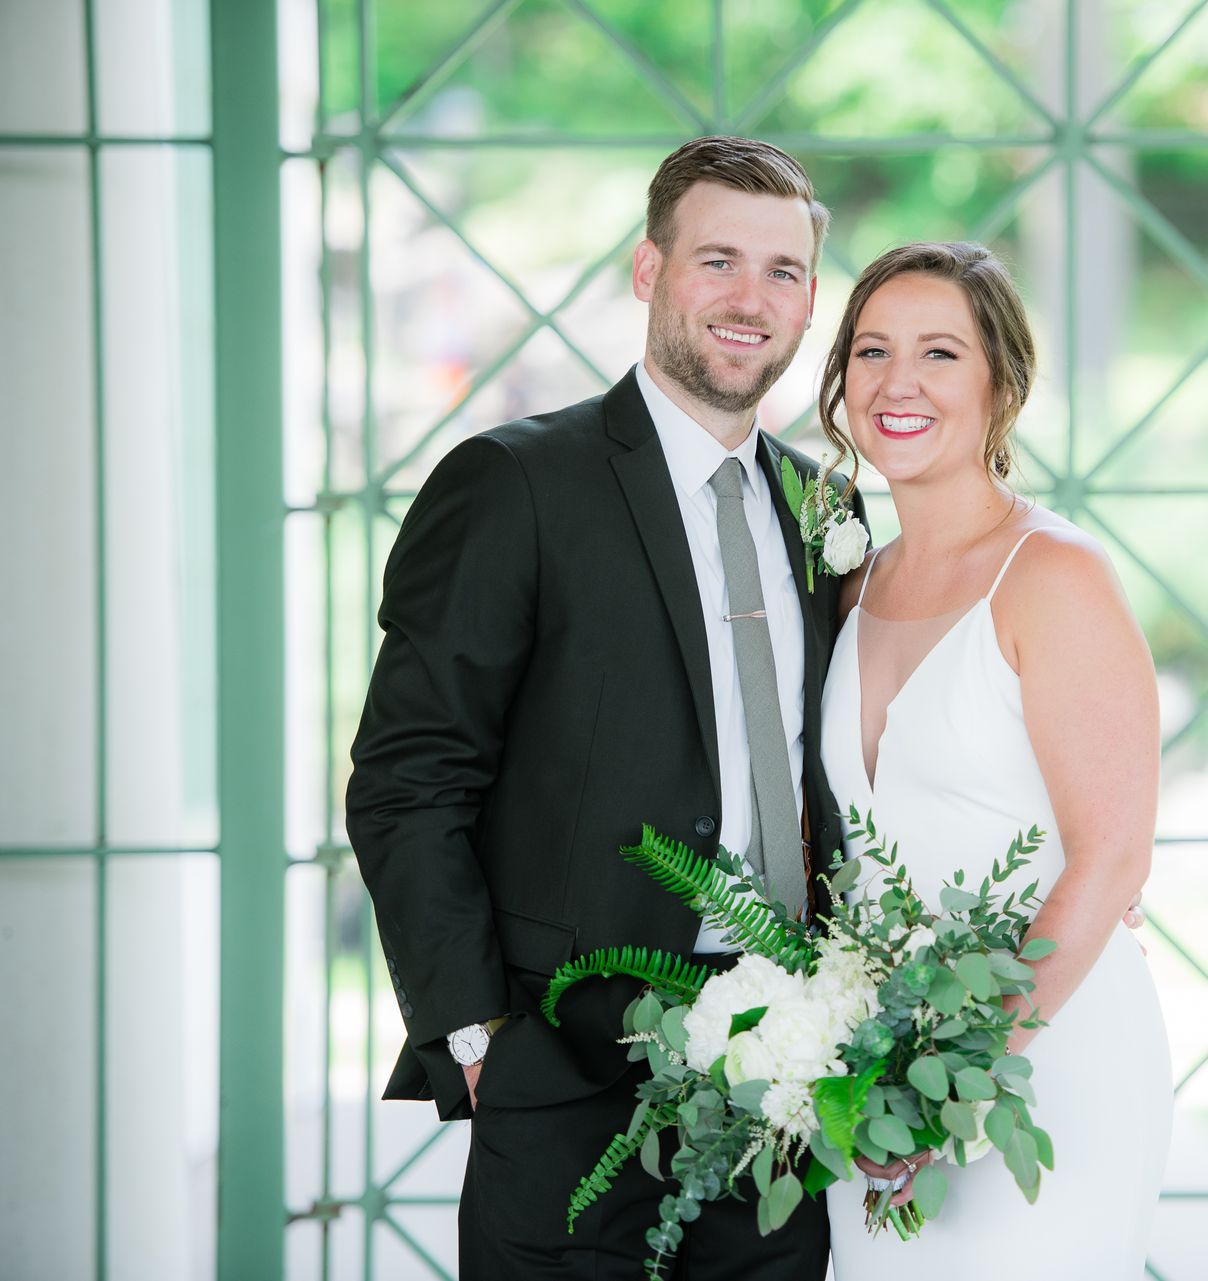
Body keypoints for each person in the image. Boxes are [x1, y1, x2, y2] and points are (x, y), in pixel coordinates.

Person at [345, 135, 853, 1280]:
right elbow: (407, 777)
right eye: (717, 258)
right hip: (569, 1064)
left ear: (809, 299)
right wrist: (474, 1034)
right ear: (648, 271)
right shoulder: (517, 484)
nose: (749, 298)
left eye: (782, 272)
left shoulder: (825, 510)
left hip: (789, 1078)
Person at [815, 242, 1173, 1278]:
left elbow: (1112, 856)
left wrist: (959, 1077)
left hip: (1046, 1064)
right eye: (872, 351)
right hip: (880, 1080)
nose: (899, 383)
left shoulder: (1052, 575)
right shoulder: (851, 588)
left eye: (940, 353)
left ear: (1001, 386)